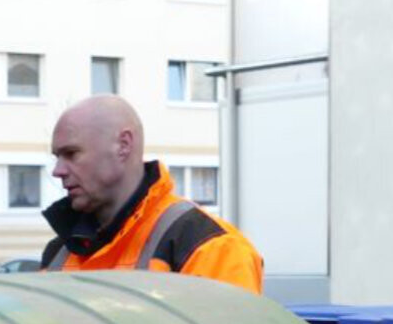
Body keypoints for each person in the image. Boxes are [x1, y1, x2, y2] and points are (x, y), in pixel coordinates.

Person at [38, 93, 265, 290]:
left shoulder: (209, 248)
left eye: (71, 154)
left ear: (123, 145)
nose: (58, 171)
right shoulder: (60, 252)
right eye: (57, 157)